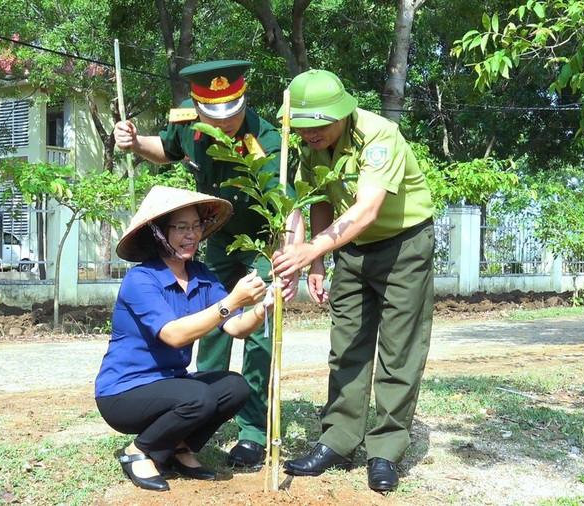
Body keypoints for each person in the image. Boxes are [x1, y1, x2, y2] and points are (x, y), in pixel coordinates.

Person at [114, 59, 302, 471]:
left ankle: (253, 432)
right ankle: (196, 420)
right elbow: (166, 150)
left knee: (258, 334)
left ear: (243, 100)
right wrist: (135, 142)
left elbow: (289, 210)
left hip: (260, 244)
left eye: (233, 112)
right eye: (214, 114)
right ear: (198, 108)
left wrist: (293, 258)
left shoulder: (267, 141)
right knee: (211, 324)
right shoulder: (187, 121)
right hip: (215, 240)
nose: (225, 121)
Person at [270, 69, 435, 492]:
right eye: (302, 126)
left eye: (319, 125)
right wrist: (314, 263)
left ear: (342, 114)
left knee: (399, 349)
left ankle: (386, 450)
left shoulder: (379, 136)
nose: (310, 134)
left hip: (403, 245)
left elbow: (365, 211)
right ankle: (338, 440)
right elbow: (320, 200)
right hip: (350, 249)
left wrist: (311, 249)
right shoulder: (311, 147)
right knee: (346, 346)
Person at [94, 185, 273, 491]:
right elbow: (174, 335)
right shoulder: (140, 279)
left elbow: (236, 327)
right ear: (158, 233)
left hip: (170, 385)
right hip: (124, 392)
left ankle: (177, 446)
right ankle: (138, 450)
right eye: (181, 228)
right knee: (199, 398)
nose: (191, 235)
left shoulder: (201, 275)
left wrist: (262, 308)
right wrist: (232, 301)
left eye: (196, 226)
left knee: (234, 387)